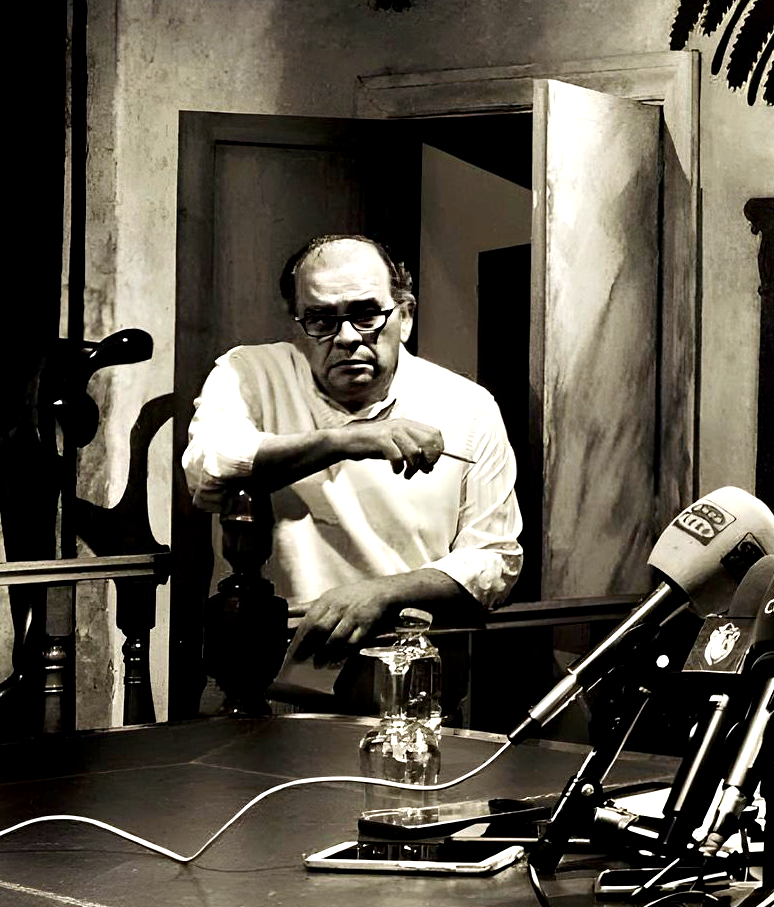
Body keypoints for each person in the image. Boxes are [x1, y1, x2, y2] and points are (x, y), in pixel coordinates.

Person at [182, 234, 522, 705]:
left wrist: (383, 594)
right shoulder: (251, 373)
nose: (345, 337)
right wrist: (345, 440)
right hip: (261, 679)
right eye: (321, 319)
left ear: (404, 316)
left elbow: (495, 559)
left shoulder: (467, 407)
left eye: (366, 314)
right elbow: (208, 468)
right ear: (298, 323)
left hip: (404, 682)